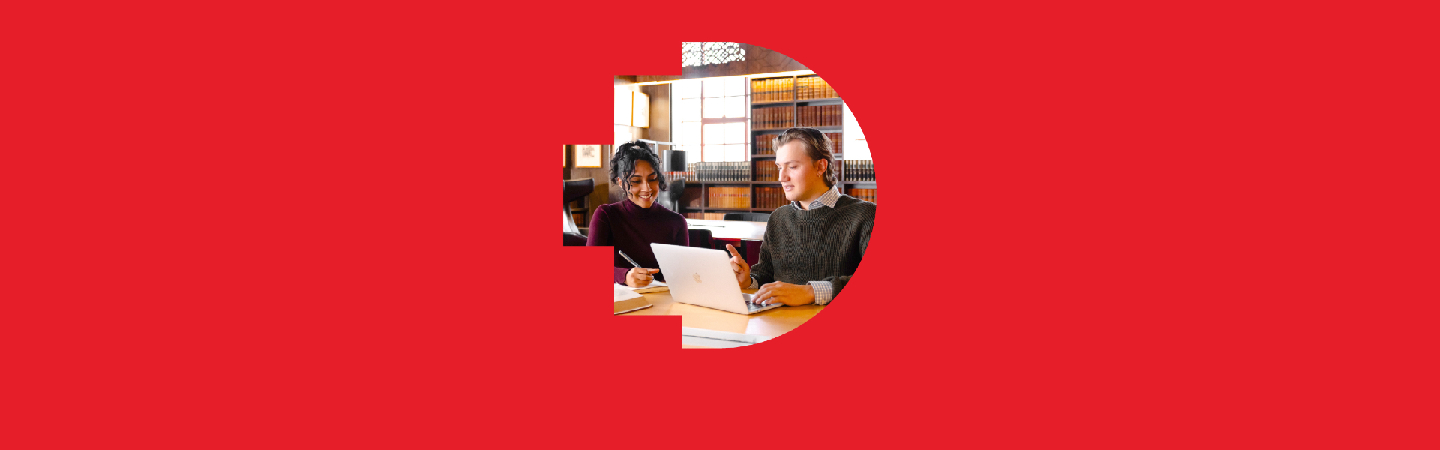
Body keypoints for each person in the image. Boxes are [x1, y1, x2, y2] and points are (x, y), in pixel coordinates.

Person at [728, 128, 875, 306]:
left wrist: (811, 292)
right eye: (780, 167)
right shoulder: (779, 218)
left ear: (821, 166)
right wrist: (749, 281)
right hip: (778, 325)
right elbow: (765, 276)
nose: (782, 177)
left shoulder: (866, 215)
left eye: (792, 166)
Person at [587, 141, 689, 287]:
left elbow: (684, 275)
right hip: (621, 303)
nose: (646, 188)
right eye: (636, 181)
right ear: (621, 183)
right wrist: (625, 276)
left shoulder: (677, 222)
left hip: (664, 303)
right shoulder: (605, 215)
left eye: (652, 179)